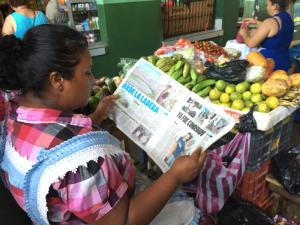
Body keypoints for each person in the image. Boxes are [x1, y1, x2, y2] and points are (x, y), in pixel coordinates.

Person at [0, 24, 207, 225]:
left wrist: (95, 120)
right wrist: (175, 175)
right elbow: (123, 221)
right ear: (57, 81)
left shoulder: (14, 114)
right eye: (87, 72)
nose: (93, 80)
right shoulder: (83, 161)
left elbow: (52, 141)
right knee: (190, 209)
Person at [239, 0, 294, 71]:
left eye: (267, 5)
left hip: (269, 64)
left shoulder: (269, 22)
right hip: (285, 60)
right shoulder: (288, 18)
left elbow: (251, 43)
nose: (267, 7)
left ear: (275, 6)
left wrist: (244, 34)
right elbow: (275, 30)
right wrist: (257, 22)